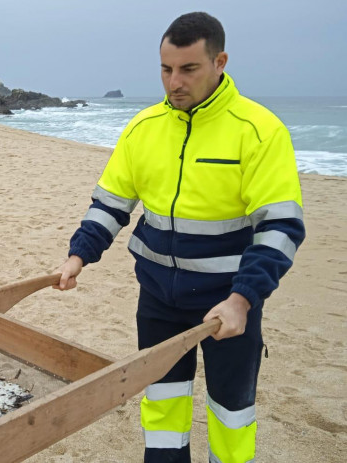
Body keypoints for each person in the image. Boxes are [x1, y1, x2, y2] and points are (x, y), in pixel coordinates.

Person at [54, 12, 305, 463]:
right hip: (158, 301)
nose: (174, 82)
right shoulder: (143, 128)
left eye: (188, 69)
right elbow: (110, 204)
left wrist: (242, 299)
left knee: (231, 413)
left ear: (220, 61)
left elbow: (280, 228)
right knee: (163, 405)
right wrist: (78, 256)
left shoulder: (260, 131)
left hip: (226, 305)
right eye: (166, 69)